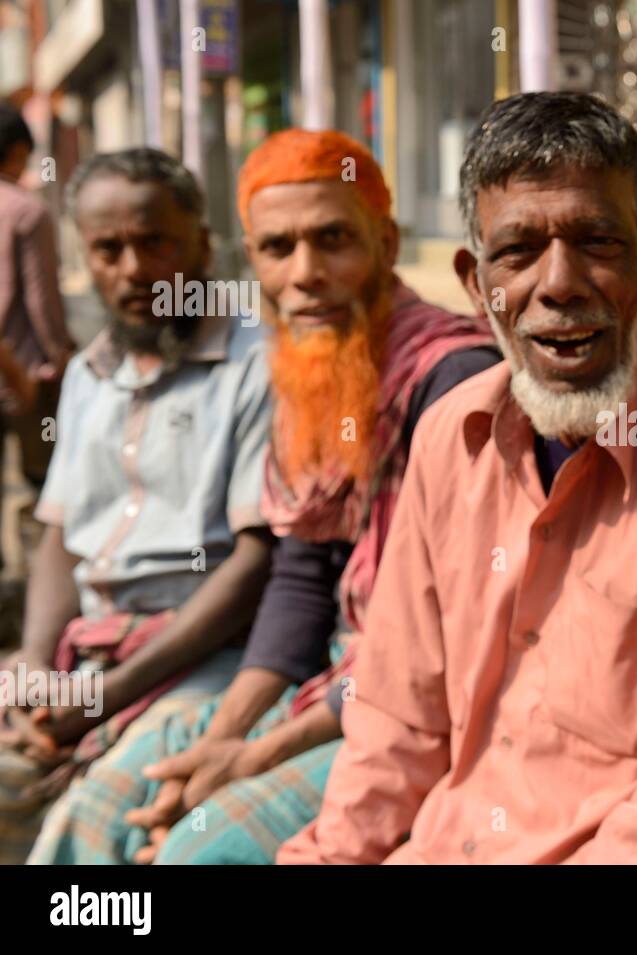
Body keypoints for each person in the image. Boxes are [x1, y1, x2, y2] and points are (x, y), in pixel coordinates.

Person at [279, 91, 637, 864]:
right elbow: (396, 724)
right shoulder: (450, 435)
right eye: (519, 251)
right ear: (474, 280)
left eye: (597, 241)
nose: (559, 283)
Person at [28, 130, 499, 865]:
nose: (305, 273)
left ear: (386, 242)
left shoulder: (454, 380)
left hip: (419, 705)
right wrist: (225, 735)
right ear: (253, 261)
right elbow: (302, 577)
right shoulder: (312, 368)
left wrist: (253, 754)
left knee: (190, 851)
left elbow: (442, 646)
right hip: (327, 679)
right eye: (279, 249)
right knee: (99, 818)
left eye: (333, 239)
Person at [0, 147, 273, 863]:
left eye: (156, 242)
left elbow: (254, 565)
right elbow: (61, 536)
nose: (133, 269)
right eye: (109, 249)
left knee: (97, 818)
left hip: (204, 654)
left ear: (203, 246)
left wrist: (106, 694)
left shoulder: (257, 364)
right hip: (86, 656)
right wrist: (32, 663)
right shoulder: (92, 373)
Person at [0, 103, 75, 573]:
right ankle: (34, 587)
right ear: (19, 151)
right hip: (25, 376)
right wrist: (62, 359)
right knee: (46, 486)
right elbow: (42, 303)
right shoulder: (27, 211)